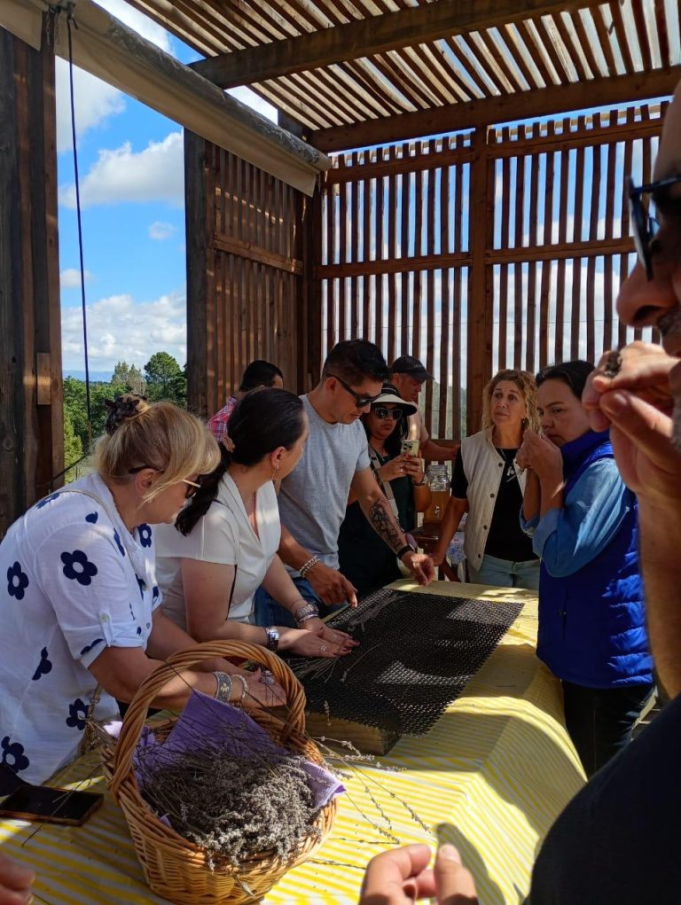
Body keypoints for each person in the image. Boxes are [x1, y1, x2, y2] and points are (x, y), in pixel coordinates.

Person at [359, 80, 681, 905]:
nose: (634, 292)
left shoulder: (598, 462)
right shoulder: (526, 453)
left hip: (584, 639)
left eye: (675, 211)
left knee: (593, 769)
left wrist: (543, 474)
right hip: (550, 624)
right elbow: (476, 510)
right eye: (653, 218)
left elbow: (558, 548)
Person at [0, 394, 281, 786]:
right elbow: (129, 678)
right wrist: (231, 688)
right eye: (192, 484)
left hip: (75, 730)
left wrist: (221, 667)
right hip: (24, 748)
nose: (196, 495)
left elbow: (154, 622)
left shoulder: (133, 519)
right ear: (149, 480)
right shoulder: (84, 536)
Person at [518, 361, 653, 776]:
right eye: (541, 412)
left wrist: (552, 473)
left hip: (606, 662)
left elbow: (558, 557)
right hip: (588, 647)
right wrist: (539, 474)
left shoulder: (605, 466)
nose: (546, 422)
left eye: (558, 411)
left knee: (596, 778)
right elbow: (531, 526)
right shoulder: (574, 457)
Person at [155, 388, 356, 658]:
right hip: (186, 663)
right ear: (278, 456)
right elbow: (205, 629)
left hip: (235, 652)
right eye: (303, 443)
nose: (304, 451)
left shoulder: (261, 488)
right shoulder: (214, 519)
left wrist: (304, 612)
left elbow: (264, 553)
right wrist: (283, 637)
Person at [256, 340, 435, 628]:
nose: (366, 411)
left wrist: (406, 552)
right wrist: (310, 567)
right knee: (289, 671)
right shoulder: (286, 424)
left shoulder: (353, 430)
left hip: (331, 571)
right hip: (284, 580)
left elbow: (371, 496)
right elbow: (261, 516)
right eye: (362, 400)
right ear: (331, 385)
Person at [431, 369, 541, 590]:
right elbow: (456, 505)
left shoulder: (542, 449)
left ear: (526, 409)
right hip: (488, 561)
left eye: (512, 397)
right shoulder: (470, 448)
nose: (501, 403)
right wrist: (438, 555)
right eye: (497, 395)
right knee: (491, 624)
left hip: (537, 562)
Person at [339, 383, 431, 597]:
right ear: (366, 413)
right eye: (381, 412)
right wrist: (380, 476)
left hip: (394, 554)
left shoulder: (401, 453)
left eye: (395, 413)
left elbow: (423, 506)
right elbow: (339, 500)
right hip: (356, 553)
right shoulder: (352, 451)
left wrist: (419, 478)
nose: (389, 418)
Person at [389, 356, 458, 462]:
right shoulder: (375, 410)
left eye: (421, 384)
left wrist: (451, 453)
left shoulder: (414, 409)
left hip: (408, 476)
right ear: (397, 379)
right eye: (415, 383)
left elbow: (423, 447)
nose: (419, 390)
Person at [208, 359, 284, 443]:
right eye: (276, 394)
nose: (277, 400)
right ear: (261, 390)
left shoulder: (253, 417)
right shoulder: (223, 422)